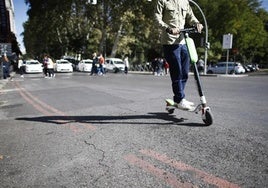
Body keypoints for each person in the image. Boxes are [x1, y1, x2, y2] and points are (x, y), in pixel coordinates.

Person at [155, 0, 203, 110]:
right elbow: (157, 17)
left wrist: (197, 23)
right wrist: (167, 28)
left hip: (182, 41)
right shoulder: (162, 1)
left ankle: (177, 99)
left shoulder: (184, 1)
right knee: (177, 71)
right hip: (169, 41)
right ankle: (180, 98)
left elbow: (191, 16)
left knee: (185, 72)